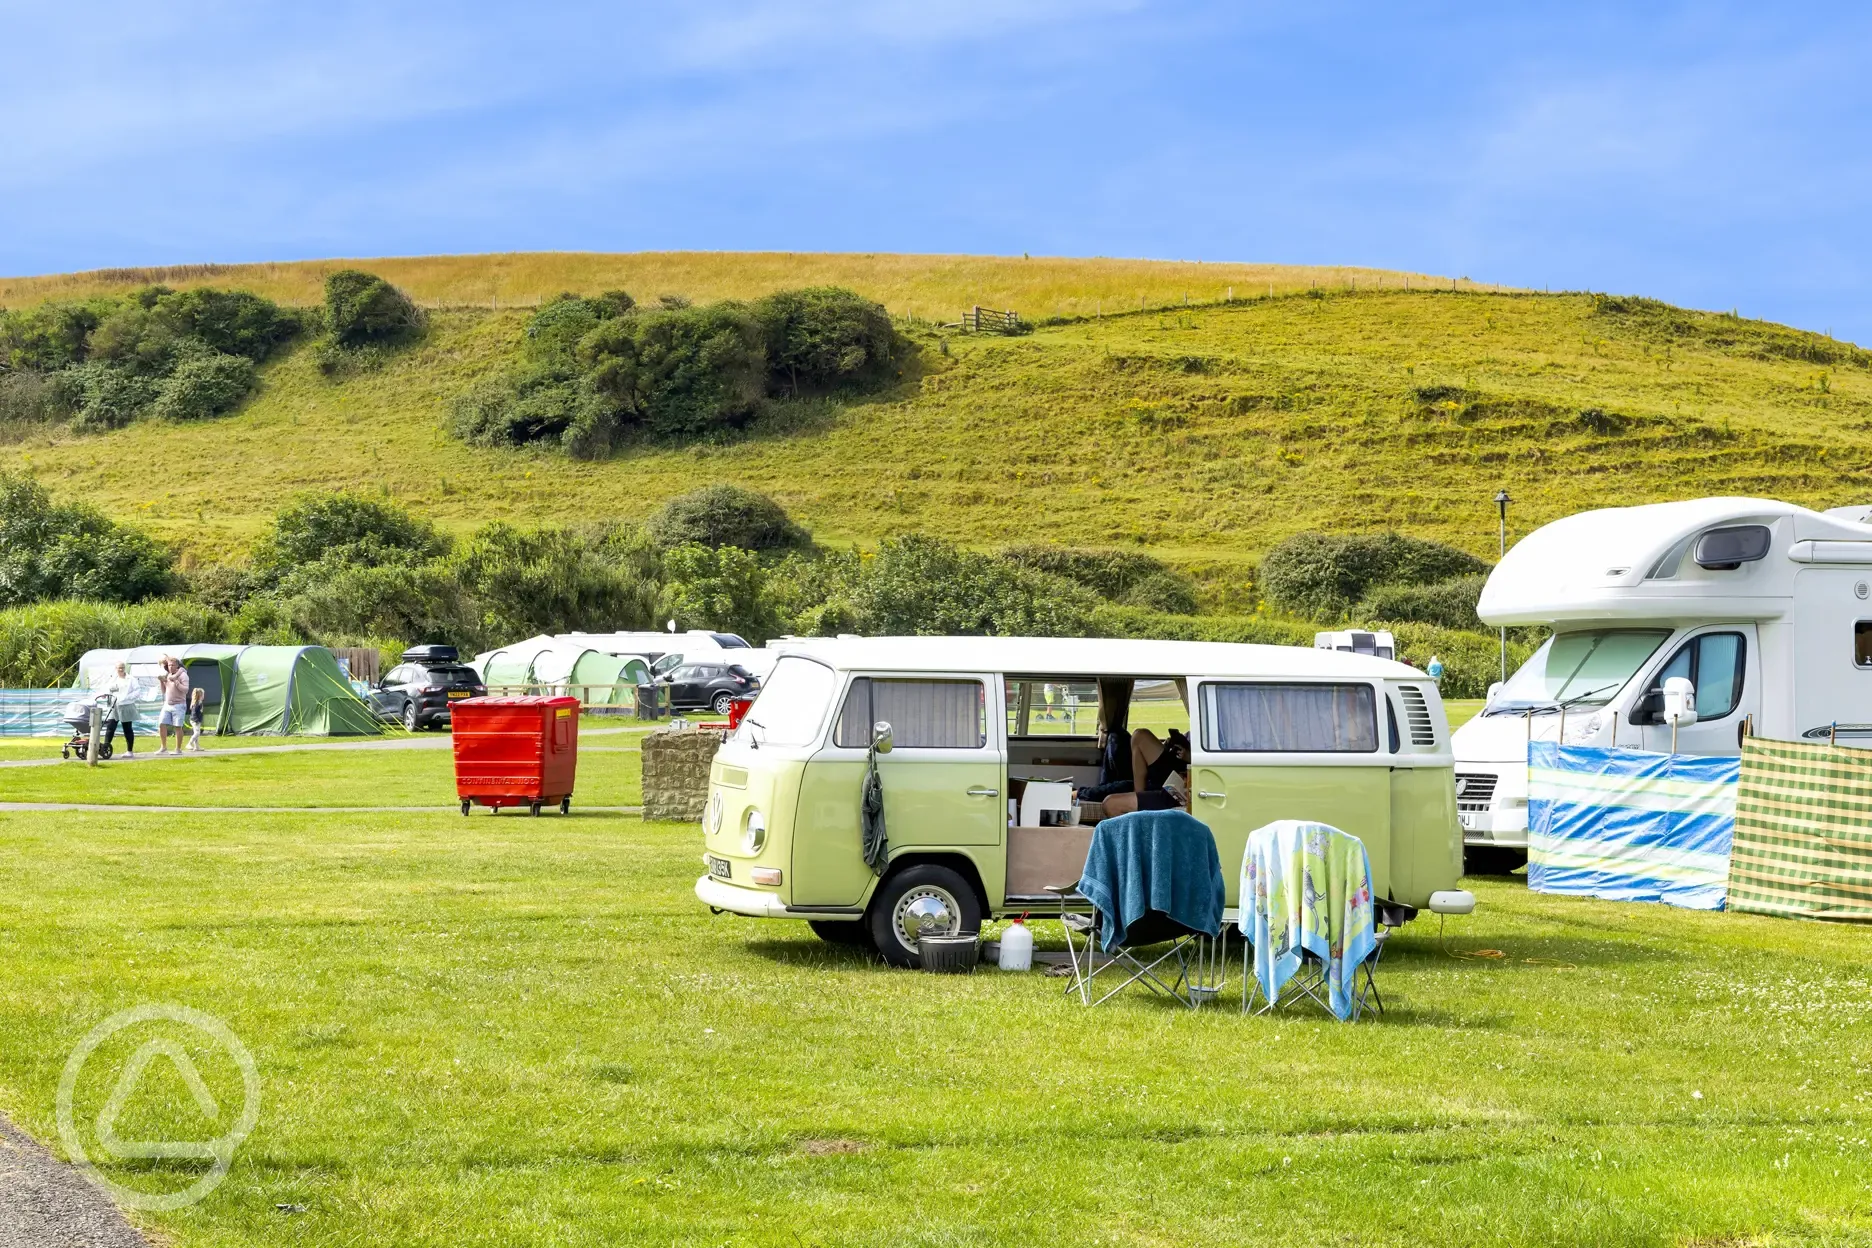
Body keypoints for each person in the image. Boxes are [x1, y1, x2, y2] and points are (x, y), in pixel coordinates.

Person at [1092, 727, 1191, 818]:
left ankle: (1139, 823)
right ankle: (1139, 795)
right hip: (1171, 773)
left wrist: (1190, 756)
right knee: (1140, 735)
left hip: (1179, 789)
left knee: (1111, 804)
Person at [104, 661, 140, 756]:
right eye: (119, 668)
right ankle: (105, 748)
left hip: (126, 705)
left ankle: (129, 751)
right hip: (114, 705)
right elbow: (107, 689)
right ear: (116, 669)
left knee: (127, 728)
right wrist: (105, 694)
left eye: (122, 667)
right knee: (110, 727)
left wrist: (127, 697)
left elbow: (137, 691)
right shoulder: (112, 679)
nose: (121, 669)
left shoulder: (131, 679)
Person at [155, 656, 190, 755]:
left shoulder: (183, 676)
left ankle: (178, 749)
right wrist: (162, 681)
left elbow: (186, 690)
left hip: (179, 705)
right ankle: (163, 747)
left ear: (177, 666)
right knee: (161, 724)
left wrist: (176, 682)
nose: (170, 667)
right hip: (167, 704)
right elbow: (164, 691)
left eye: (173, 665)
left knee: (178, 727)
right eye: (169, 665)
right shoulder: (168, 675)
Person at [186, 686, 207, 752]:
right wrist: (196, 720)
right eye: (203, 694)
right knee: (197, 733)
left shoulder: (199, 702)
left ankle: (196, 747)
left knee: (196, 733)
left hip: (197, 720)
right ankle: (189, 743)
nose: (204, 696)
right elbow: (194, 713)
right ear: (200, 695)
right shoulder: (197, 703)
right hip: (195, 720)